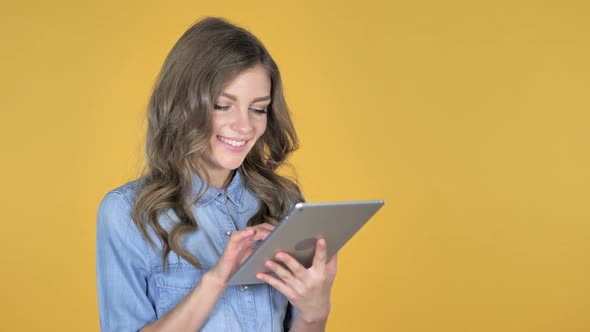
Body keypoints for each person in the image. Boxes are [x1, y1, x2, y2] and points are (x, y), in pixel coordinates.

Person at [96, 17, 337, 332]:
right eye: (223, 105)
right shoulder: (127, 214)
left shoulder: (284, 203)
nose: (245, 126)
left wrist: (315, 312)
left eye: (258, 108)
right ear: (181, 106)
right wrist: (216, 279)